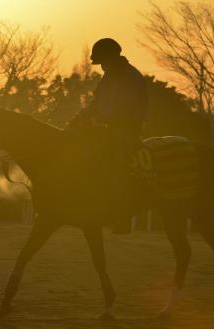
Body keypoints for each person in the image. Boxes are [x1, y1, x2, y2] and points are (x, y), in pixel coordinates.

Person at [69, 38, 148, 233]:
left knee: (117, 162)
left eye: (103, 62)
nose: (101, 67)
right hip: (109, 128)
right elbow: (97, 104)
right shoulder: (110, 76)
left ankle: (124, 214)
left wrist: (99, 119)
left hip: (127, 130)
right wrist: (81, 117)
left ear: (112, 58)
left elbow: (126, 109)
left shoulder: (131, 77)